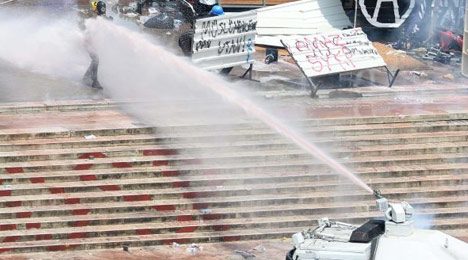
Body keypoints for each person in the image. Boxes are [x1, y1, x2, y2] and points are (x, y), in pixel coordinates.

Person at [82, 1, 109, 89]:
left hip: (94, 42)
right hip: (88, 41)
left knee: (95, 60)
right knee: (96, 59)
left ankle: (86, 76)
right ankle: (95, 81)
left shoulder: (99, 16)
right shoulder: (92, 18)